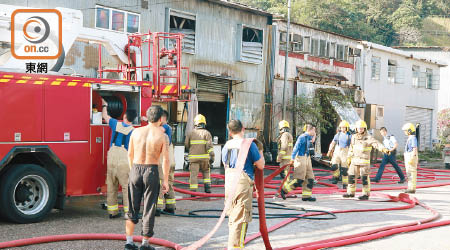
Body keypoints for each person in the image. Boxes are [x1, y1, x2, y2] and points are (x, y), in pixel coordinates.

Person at [124, 106, 170, 250]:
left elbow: (130, 154)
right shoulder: (162, 136)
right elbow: (166, 161)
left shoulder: (135, 132)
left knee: (132, 206)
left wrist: (133, 171)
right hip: (151, 170)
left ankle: (129, 242)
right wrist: (166, 181)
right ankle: (145, 243)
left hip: (136, 169)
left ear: (148, 116)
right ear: (161, 118)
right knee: (149, 207)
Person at [222, 120, 264, 249]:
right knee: (241, 219)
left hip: (229, 182)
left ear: (230, 132)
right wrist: (260, 152)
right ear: (243, 129)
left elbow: (225, 165)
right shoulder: (249, 145)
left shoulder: (227, 145)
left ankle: (232, 245)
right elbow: (261, 165)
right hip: (242, 183)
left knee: (233, 217)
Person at [102, 98, 137, 219]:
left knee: (111, 187)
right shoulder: (134, 131)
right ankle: (128, 213)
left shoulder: (115, 124)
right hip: (124, 162)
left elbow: (105, 116)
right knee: (127, 188)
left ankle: (112, 212)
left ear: (125, 116)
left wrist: (104, 105)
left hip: (111, 160)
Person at [343, 120, 389, 200]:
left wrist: (383, 149)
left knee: (364, 179)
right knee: (351, 177)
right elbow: (351, 148)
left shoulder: (368, 137)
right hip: (354, 161)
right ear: (356, 129)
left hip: (364, 162)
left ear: (364, 129)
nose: (360, 130)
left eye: (362, 128)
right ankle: (350, 192)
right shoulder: (353, 137)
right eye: (359, 128)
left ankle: (365, 194)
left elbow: (376, 143)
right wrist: (349, 157)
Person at [280, 124, 317, 202]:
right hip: (300, 158)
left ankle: (306, 196)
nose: (314, 132)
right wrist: (292, 159)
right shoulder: (302, 137)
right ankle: (284, 190)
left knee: (310, 178)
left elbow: (313, 140)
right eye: (314, 130)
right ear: (309, 130)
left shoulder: (308, 137)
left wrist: (315, 134)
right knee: (299, 180)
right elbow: (295, 148)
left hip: (307, 158)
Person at [185, 114, 214, 194]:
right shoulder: (207, 133)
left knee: (193, 175)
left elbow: (186, 145)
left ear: (195, 124)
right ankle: (207, 189)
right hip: (204, 159)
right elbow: (209, 147)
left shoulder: (190, 133)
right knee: (206, 173)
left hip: (193, 159)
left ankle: (193, 192)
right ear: (204, 123)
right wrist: (212, 157)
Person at [157, 110, 176, 214]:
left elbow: (156, 131)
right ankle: (170, 206)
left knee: (161, 184)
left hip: (165, 161)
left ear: (163, 118)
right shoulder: (167, 128)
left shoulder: (165, 127)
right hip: (170, 160)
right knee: (169, 183)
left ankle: (158, 207)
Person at [327, 120, 351, 189]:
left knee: (344, 170)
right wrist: (329, 150)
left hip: (345, 152)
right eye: (341, 127)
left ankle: (345, 184)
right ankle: (335, 177)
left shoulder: (349, 136)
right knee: (334, 165)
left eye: (344, 127)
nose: (342, 129)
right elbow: (333, 142)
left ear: (347, 128)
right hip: (337, 151)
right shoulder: (338, 134)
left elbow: (352, 146)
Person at [402, 123, 419, 194]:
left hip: (411, 156)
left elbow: (414, 148)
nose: (404, 132)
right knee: (409, 173)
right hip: (408, 156)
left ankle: (412, 188)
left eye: (405, 130)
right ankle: (410, 187)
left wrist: (412, 157)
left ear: (409, 130)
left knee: (412, 172)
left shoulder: (413, 138)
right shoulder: (410, 138)